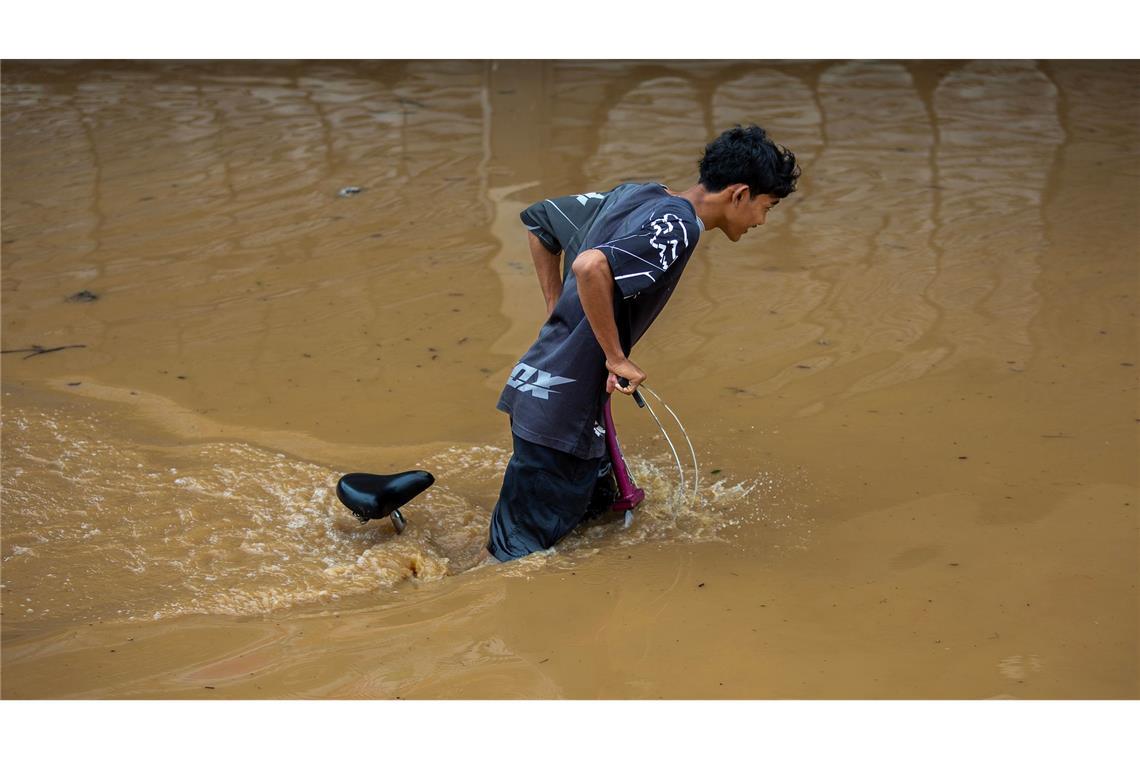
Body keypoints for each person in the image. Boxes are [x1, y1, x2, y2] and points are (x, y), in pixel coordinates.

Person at [478, 124, 800, 563]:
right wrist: (614, 357)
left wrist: (561, 316)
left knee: (605, 522)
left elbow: (540, 219)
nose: (762, 220)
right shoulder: (680, 227)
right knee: (513, 561)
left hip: (546, 395)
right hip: (561, 415)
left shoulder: (639, 194)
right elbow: (591, 267)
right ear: (740, 194)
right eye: (767, 206)